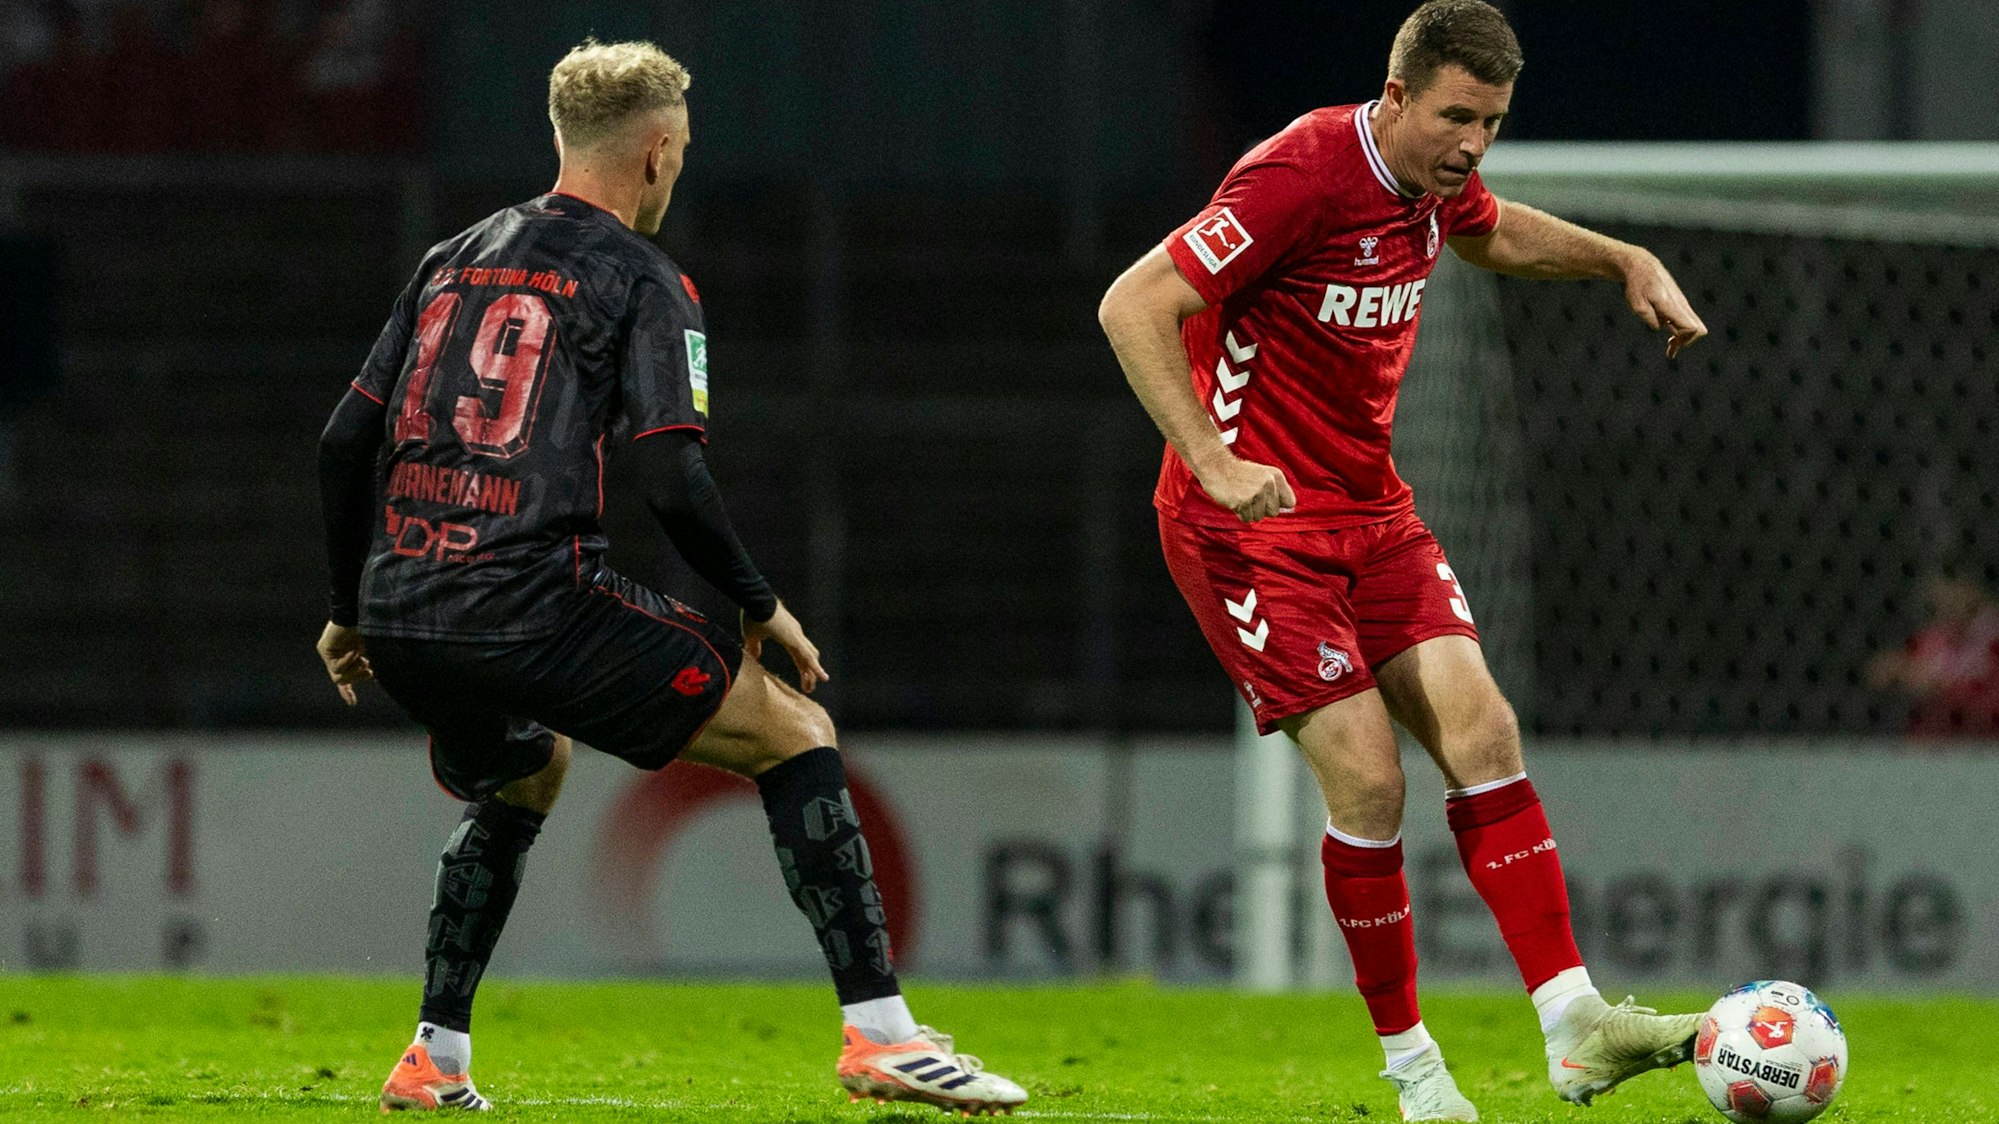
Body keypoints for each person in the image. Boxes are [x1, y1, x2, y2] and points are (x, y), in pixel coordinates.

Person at [315, 39, 1026, 1116]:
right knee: (795, 734)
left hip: (402, 606)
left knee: (527, 771)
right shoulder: (644, 278)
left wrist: (345, 610)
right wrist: (757, 601)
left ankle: (435, 1056)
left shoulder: (448, 257)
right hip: (529, 599)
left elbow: (340, 443)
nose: (678, 170)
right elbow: (669, 472)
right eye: (680, 152)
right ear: (654, 154)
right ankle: (880, 1035)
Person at [1097, 3, 1710, 1120]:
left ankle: (1575, 1024)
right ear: (1395, 98)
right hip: (1251, 526)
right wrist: (1213, 455)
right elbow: (1132, 301)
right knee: (1371, 780)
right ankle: (1415, 1071)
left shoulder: (1431, 184)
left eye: (1492, 121)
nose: (1473, 143)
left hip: (1371, 513)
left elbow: (1487, 229)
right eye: (1456, 116)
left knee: (1485, 728)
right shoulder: (1302, 174)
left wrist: (1620, 256)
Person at [1867, 570, 1999, 740]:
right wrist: (1898, 668)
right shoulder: (1935, 636)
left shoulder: (1992, 636)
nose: (1946, 601)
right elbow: (1880, 673)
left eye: (1953, 591)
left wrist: (1940, 683)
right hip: (1936, 736)